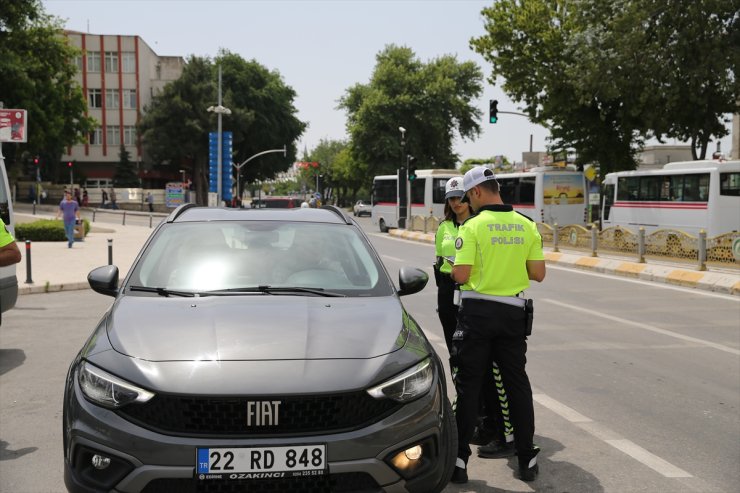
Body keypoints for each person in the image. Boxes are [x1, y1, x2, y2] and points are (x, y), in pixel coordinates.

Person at [449, 166, 546, 484]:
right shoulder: (527, 224)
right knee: (517, 384)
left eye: (467, 196)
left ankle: (460, 462)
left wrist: (457, 270)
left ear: (476, 192)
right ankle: (526, 459)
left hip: (477, 314)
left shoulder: (473, 226)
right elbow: (538, 273)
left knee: (469, 386)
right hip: (513, 315)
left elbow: (461, 276)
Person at [436, 177, 515, 460]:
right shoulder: (444, 227)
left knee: (488, 369)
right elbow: (440, 264)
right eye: (451, 198)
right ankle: (474, 418)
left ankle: (495, 425)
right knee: (460, 361)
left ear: (471, 197)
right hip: (450, 296)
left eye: (461, 196)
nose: (456, 202)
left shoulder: (479, 225)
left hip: (476, 298)